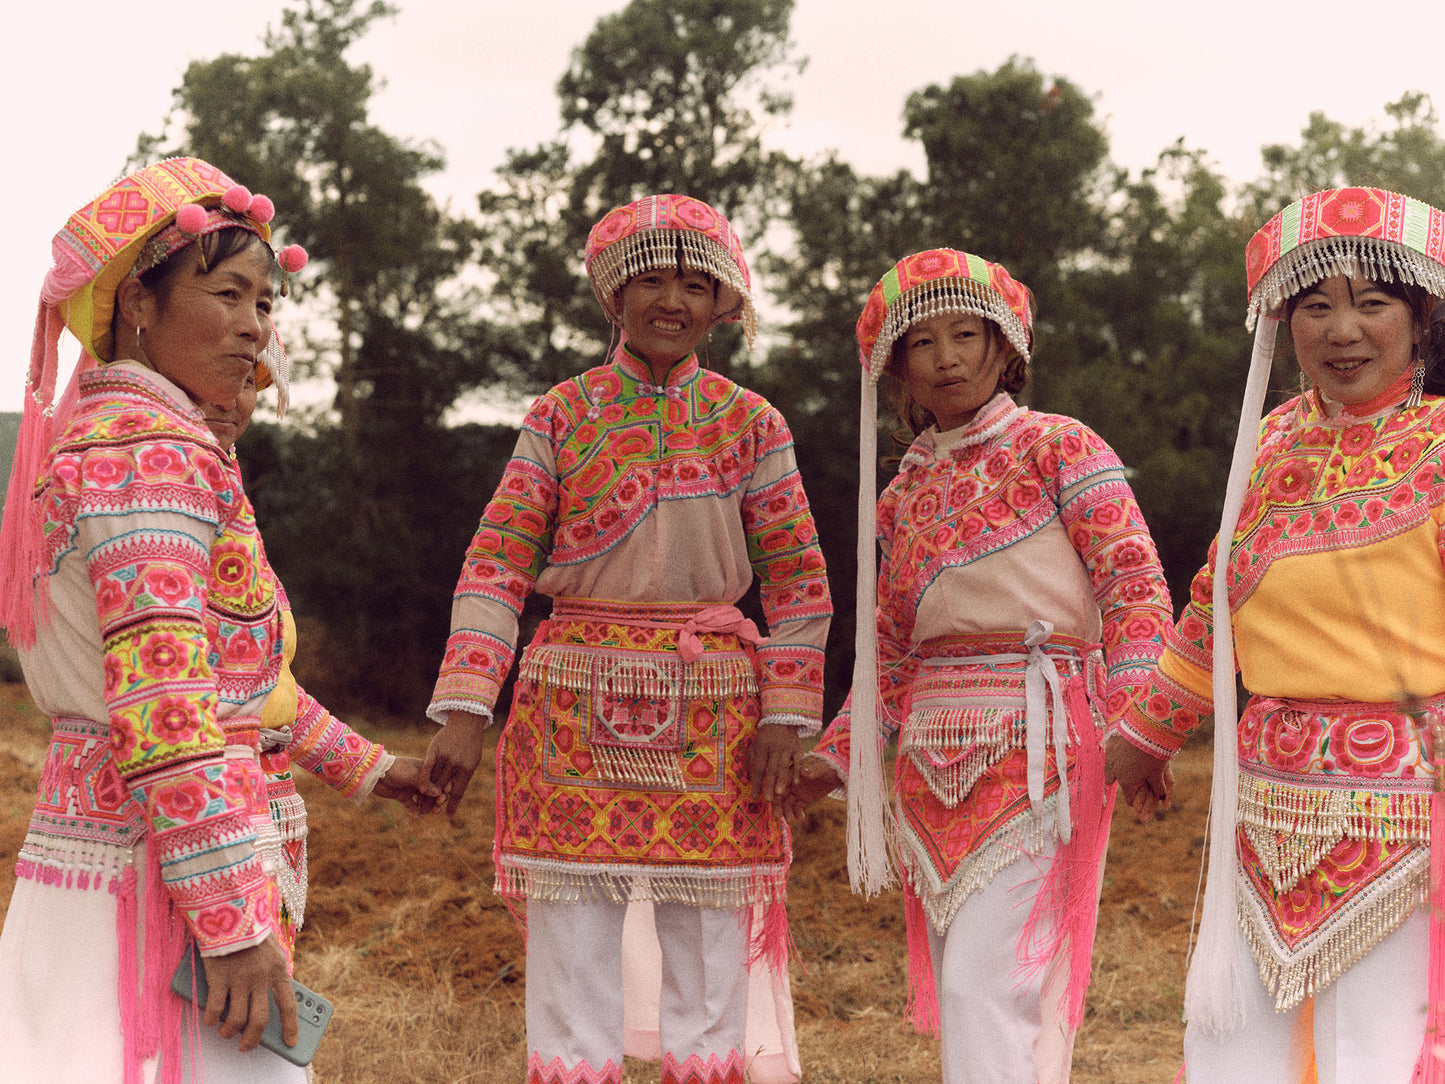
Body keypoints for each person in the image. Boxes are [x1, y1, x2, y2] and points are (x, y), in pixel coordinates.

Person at [418, 193, 832, 1084]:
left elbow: (799, 576)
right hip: (569, 699)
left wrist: (787, 715)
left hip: (717, 711)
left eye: (694, 281)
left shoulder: (752, 423)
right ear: (613, 295)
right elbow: (495, 562)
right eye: (649, 278)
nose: (670, 300)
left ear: (725, 302)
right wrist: (464, 707)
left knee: (709, 956)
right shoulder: (559, 415)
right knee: (571, 957)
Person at [0, 157, 393, 1083]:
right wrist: (229, 921)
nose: (256, 325)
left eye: (266, 301)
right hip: (158, 881)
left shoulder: (107, 441)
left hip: (100, 858)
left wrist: (375, 770)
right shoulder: (151, 454)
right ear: (138, 304)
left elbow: (242, 679)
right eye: (229, 293)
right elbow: (168, 704)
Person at [784, 249, 1173, 1084]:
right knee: (982, 983)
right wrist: (834, 755)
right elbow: (888, 650)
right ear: (897, 369)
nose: (947, 356)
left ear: (1006, 349)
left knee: (983, 986)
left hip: (1041, 747)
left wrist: (1140, 725)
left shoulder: (1059, 446)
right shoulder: (901, 492)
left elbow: (1136, 588)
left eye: (966, 334)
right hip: (929, 761)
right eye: (921, 342)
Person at [1108, 186, 1445, 1083]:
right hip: (1262, 803)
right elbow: (1214, 598)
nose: (1342, 330)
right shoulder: (1274, 439)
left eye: (1372, 303)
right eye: (1315, 306)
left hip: (1407, 812)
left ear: (1418, 322)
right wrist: (1145, 737)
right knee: (1233, 1048)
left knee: (1369, 1052)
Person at [200, 361, 425, 965]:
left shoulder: (225, 497)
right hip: (204, 825)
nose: (233, 397)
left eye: (250, 382)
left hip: (251, 811)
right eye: (220, 373)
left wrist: (377, 769)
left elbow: (270, 691)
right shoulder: (157, 498)